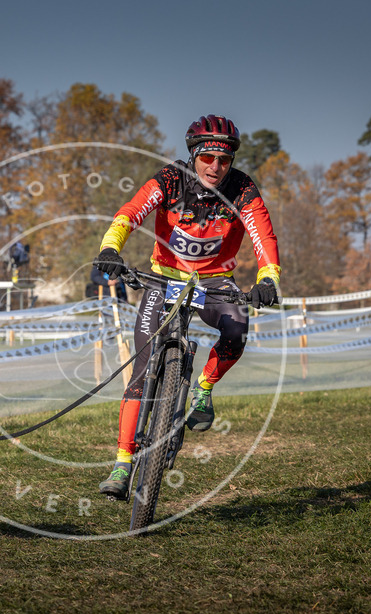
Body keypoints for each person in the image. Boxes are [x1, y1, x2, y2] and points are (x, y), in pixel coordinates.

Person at [94, 114, 281, 498]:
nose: (216, 167)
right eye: (207, 158)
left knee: (236, 331)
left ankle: (203, 389)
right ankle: (122, 463)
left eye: (224, 160)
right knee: (142, 368)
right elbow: (131, 213)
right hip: (164, 279)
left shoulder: (243, 189)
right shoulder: (170, 179)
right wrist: (110, 248)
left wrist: (268, 279)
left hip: (214, 282)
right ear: (194, 156)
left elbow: (263, 235)